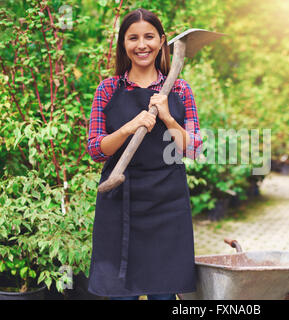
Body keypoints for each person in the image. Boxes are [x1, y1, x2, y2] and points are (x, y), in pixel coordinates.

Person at [86, 8, 202, 300]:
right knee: (120, 293)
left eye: (149, 37)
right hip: (120, 202)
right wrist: (128, 128)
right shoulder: (108, 89)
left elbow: (193, 148)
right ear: (123, 43)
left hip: (167, 204)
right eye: (133, 38)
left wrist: (168, 118)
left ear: (162, 41)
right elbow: (95, 150)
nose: (142, 45)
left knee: (164, 294)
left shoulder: (181, 90)